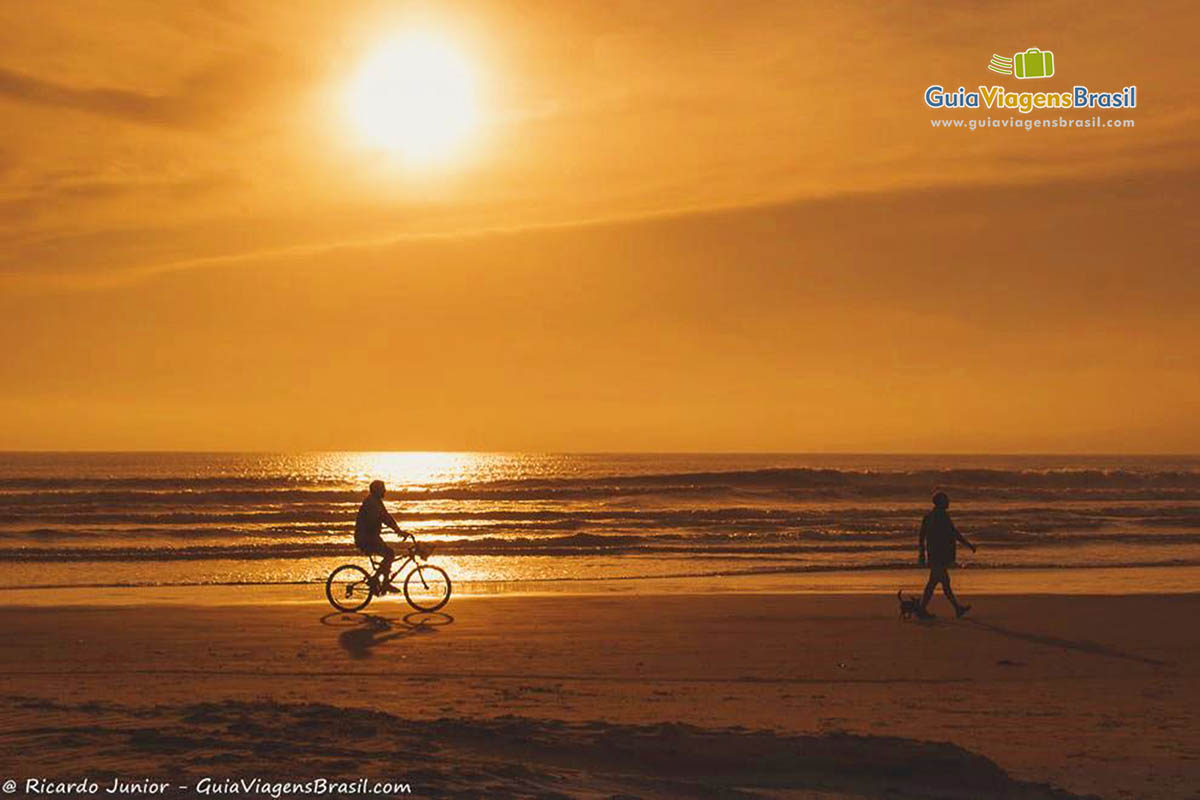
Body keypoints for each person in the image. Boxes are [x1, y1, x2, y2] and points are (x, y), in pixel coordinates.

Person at [918, 491, 977, 618]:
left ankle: (955, 608)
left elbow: (921, 537)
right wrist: (968, 544)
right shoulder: (943, 516)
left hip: (934, 554)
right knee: (939, 582)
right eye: (946, 500)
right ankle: (923, 610)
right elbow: (954, 533)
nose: (948, 502)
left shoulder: (928, 516)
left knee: (938, 583)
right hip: (940, 555)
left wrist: (922, 553)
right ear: (940, 502)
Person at [355, 480, 410, 593]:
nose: (385, 490)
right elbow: (384, 518)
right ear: (377, 490)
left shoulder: (375, 501)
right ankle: (379, 581)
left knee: (388, 554)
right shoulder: (372, 503)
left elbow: (386, 517)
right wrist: (398, 531)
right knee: (389, 554)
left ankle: (383, 582)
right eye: (383, 488)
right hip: (366, 538)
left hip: (370, 537)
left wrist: (398, 530)